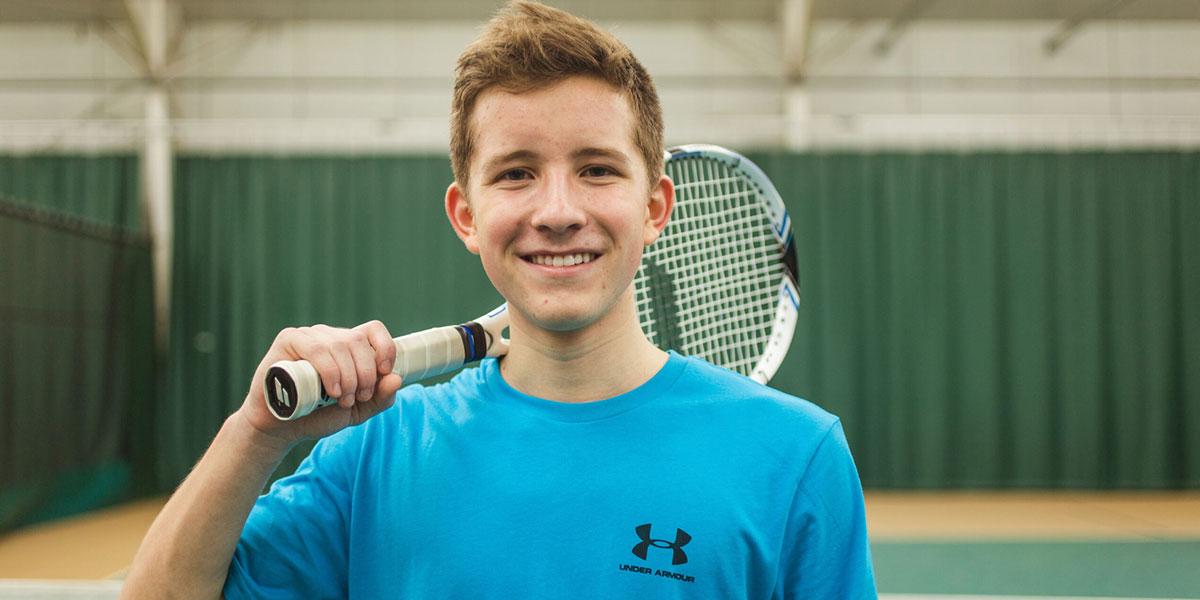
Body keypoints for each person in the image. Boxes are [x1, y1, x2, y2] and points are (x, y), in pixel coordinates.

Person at [121, 2, 876, 598]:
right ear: (466, 216)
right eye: (516, 173)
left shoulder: (797, 458)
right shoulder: (374, 455)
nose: (556, 209)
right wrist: (256, 432)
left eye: (597, 170)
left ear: (654, 209)